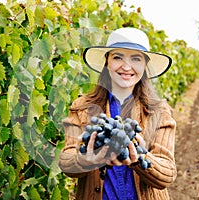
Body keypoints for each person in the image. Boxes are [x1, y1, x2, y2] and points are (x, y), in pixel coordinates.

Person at [59, 27, 177, 200]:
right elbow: (66, 162)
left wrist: (140, 159)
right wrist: (86, 159)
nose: (126, 66)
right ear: (107, 62)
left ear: (144, 66)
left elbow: (167, 173)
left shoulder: (159, 111)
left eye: (136, 58)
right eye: (117, 57)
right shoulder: (81, 107)